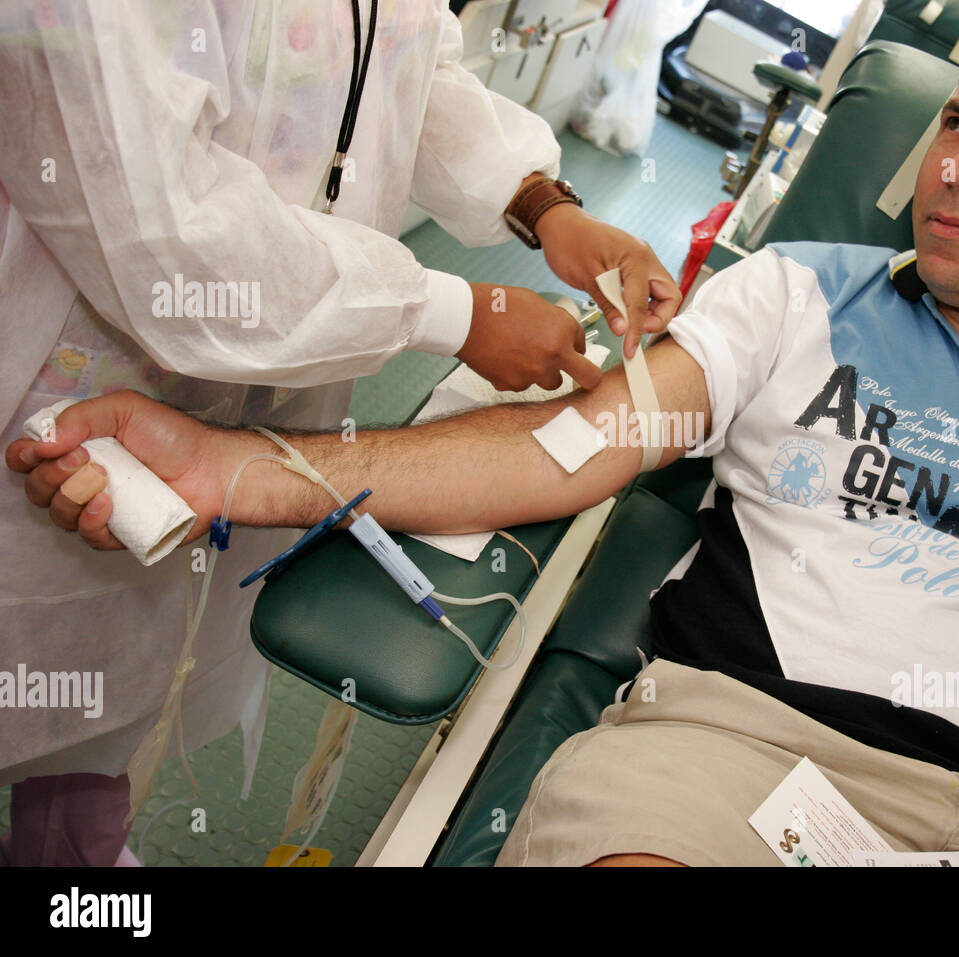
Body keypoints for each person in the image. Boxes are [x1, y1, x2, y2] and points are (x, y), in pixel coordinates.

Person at [8, 16, 959, 868]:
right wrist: (236, 469)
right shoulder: (801, 298)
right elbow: (560, 450)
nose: (952, 166)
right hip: (734, 766)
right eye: (952, 122)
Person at [0, 0, 681, 866]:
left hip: (276, 369)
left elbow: (398, 63)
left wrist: (544, 206)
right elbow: (156, 216)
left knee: (128, 667)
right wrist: (459, 312)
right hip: (66, 350)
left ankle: (69, 841)